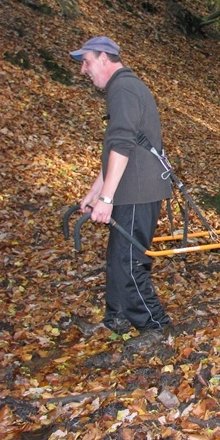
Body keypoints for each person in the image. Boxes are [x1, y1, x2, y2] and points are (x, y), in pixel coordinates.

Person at [70, 36, 173, 347]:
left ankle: (156, 326)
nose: (83, 70)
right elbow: (118, 147)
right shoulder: (122, 88)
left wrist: (107, 199)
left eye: (86, 62)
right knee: (117, 259)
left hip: (138, 190)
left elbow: (124, 144)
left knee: (129, 262)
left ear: (105, 58)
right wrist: (95, 192)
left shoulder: (124, 88)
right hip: (131, 188)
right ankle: (116, 318)